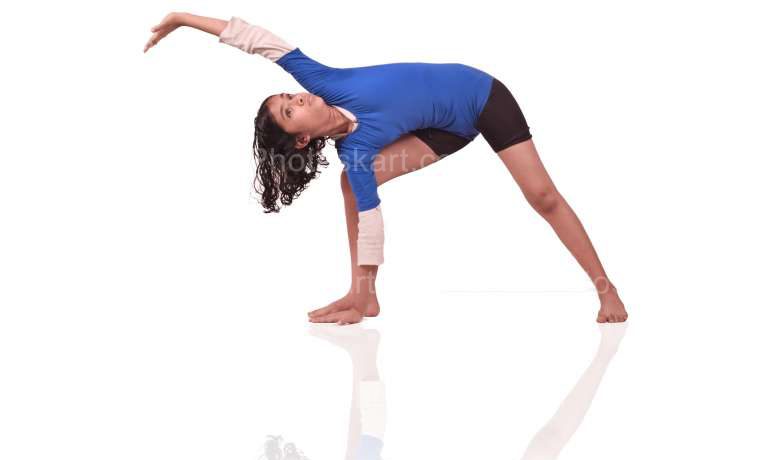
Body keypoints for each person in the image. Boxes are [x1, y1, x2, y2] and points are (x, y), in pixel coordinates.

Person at [144, 12, 629, 325]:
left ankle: (605, 290)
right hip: (446, 132)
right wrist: (366, 281)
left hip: (481, 96)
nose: (297, 98)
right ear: (302, 137)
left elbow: (259, 41)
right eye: (291, 110)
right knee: (355, 185)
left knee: (541, 196)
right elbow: (372, 223)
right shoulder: (356, 154)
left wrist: (185, 19)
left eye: (289, 97)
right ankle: (364, 296)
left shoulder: (322, 80)